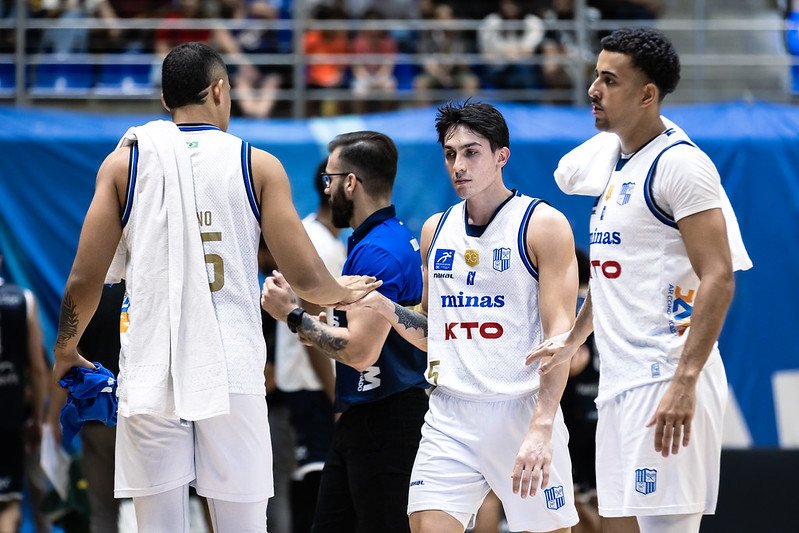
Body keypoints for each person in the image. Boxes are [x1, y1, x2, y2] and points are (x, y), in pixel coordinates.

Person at [50, 42, 378, 532]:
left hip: (151, 366)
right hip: (231, 366)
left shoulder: (124, 165)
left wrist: (65, 348)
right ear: (220, 90)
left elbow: (83, 279)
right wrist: (345, 292)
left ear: (165, 100)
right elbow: (307, 277)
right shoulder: (257, 164)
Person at [528, 28, 751, 533]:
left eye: (609, 80)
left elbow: (719, 276)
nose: (593, 90)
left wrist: (684, 382)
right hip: (620, 383)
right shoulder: (617, 165)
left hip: (665, 380)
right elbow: (611, 277)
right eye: (595, 76)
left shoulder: (681, 166)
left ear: (647, 95)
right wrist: (572, 340)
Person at [341, 101, 580, 533]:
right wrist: (386, 308)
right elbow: (435, 333)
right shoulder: (436, 228)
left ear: (501, 156)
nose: (459, 165)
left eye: (471, 152)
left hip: (521, 409)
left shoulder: (543, 224)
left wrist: (543, 425)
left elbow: (559, 341)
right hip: (450, 413)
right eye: (451, 154)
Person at [261, 131, 429, 533]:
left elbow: (361, 352)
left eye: (329, 180)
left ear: (350, 183)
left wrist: (293, 317)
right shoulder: (378, 239)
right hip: (369, 414)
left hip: (384, 417)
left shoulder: (377, 250)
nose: (327, 189)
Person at [272, 160, 346, 533]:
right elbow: (311, 332)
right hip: (314, 388)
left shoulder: (316, 237)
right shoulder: (318, 245)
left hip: (312, 386)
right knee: (317, 492)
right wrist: (338, 397)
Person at [0, 254, 48, 533]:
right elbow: (39, 368)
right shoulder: (22, 300)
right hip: (10, 415)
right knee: (8, 504)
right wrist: (38, 419)